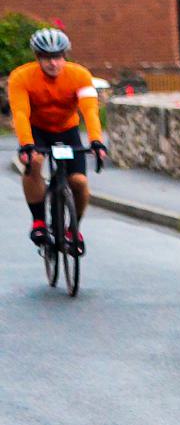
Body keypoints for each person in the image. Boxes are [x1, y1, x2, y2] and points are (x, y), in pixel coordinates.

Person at [9, 28, 107, 255]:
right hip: (37, 130)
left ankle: (74, 228)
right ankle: (39, 222)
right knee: (34, 163)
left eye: (58, 57)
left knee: (79, 182)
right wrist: (26, 144)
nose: (53, 63)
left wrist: (96, 141)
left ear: (65, 56)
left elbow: (90, 111)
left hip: (67, 130)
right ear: (37, 57)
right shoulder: (22, 77)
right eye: (46, 57)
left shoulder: (80, 76)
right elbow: (21, 113)